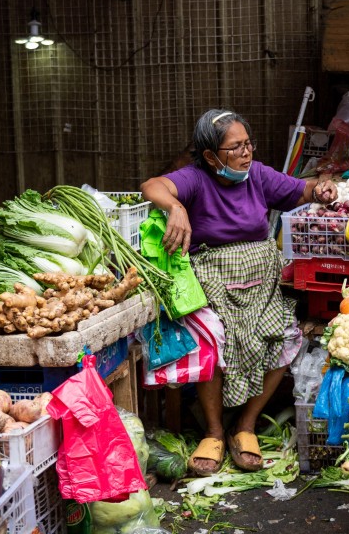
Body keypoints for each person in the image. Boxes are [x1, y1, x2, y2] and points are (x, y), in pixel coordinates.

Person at [141, 109, 337, 476]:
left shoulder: (258, 176)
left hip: (261, 282)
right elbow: (152, 185)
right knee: (213, 343)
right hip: (213, 281)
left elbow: (302, 189)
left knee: (284, 339)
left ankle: (244, 425)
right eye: (236, 148)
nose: (246, 153)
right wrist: (176, 207)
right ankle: (214, 432)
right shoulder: (196, 178)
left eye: (248, 144)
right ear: (211, 156)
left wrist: (320, 188)